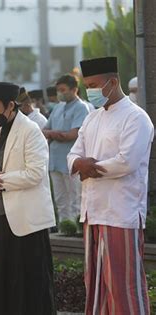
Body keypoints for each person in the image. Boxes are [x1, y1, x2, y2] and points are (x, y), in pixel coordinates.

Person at [68, 56, 153, 314]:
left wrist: (89, 168)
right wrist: (80, 164)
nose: (89, 91)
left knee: (123, 284)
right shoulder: (92, 119)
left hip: (121, 212)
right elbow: (73, 156)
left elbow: (126, 162)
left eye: (94, 85)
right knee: (95, 283)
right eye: (87, 85)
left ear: (113, 82)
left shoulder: (137, 117)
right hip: (92, 213)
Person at [0, 82, 56, 315]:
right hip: (1, 215)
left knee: (30, 279)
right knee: (3, 275)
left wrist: (0, 180)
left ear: (10, 105)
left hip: (27, 218)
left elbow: (36, 173)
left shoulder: (30, 130)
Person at [42, 74, 90, 227]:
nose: (60, 93)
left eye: (63, 90)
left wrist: (54, 134)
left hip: (72, 161)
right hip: (55, 161)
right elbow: (44, 131)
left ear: (74, 89)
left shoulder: (81, 107)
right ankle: (64, 228)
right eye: (58, 90)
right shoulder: (58, 107)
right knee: (60, 199)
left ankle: (77, 230)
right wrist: (56, 134)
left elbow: (72, 135)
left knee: (75, 198)